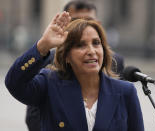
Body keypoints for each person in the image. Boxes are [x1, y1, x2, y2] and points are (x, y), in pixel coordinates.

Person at [5, 11, 144, 131]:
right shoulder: (49, 84)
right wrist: (43, 46)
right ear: (66, 56)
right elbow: (14, 82)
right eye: (80, 45)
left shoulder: (126, 91)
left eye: (96, 43)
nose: (91, 51)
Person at [25, 1, 125, 131]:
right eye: (76, 20)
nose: (83, 26)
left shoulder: (116, 62)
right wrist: (42, 46)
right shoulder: (48, 60)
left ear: (98, 24)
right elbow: (34, 115)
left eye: (88, 20)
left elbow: (122, 113)